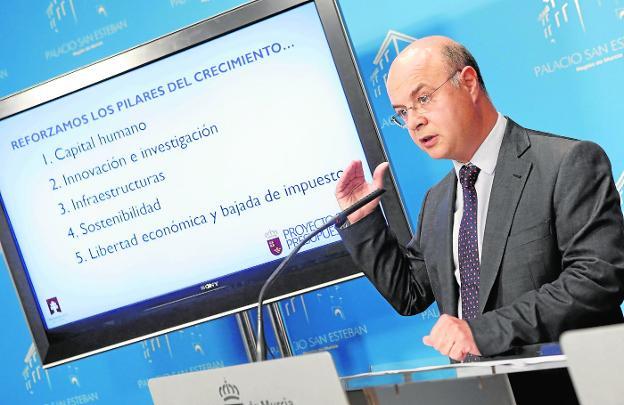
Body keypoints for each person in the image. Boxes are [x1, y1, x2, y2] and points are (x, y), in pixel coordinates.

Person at [335, 36, 624, 362]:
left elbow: (597, 279)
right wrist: (361, 220)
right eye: (402, 112)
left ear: (468, 83)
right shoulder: (438, 201)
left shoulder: (566, 163)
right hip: (485, 390)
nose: (414, 121)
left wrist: (481, 332)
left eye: (424, 98)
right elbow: (410, 294)